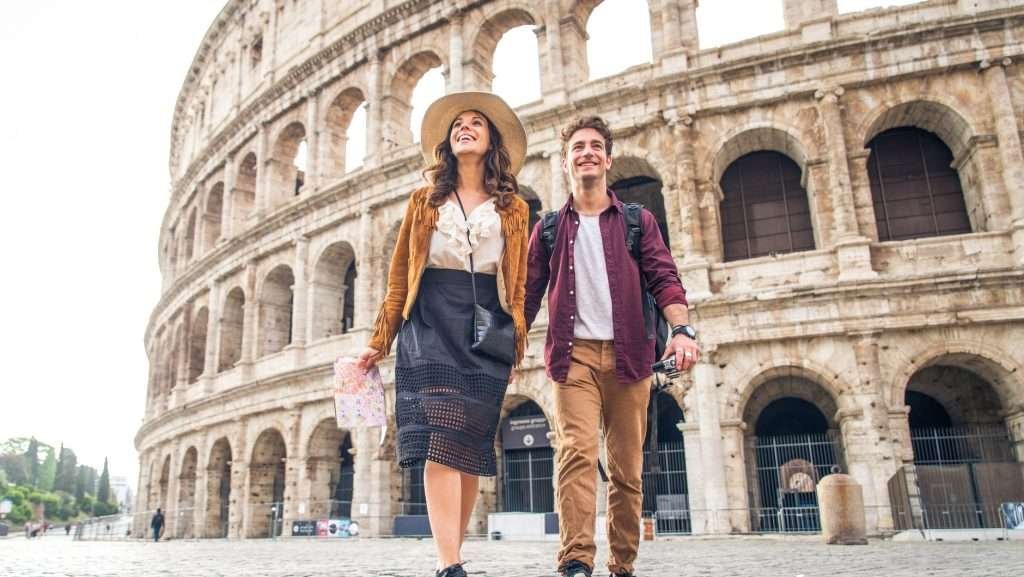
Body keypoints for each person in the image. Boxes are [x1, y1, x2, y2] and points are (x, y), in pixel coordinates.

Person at [357, 91, 529, 577]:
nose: (464, 127)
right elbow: (398, 277)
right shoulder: (424, 201)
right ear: (446, 143)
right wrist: (378, 341)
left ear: (492, 139)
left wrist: (516, 341)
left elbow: (516, 285)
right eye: (457, 124)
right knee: (438, 439)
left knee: (469, 444)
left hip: (485, 326)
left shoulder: (514, 209)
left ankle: (455, 549)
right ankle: (448, 562)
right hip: (429, 321)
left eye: (476, 122)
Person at [524, 116, 700, 577]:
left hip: (630, 357)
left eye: (595, 146)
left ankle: (622, 563)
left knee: (627, 469)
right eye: (577, 147)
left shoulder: (637, 222)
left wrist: (682, 330)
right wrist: (504, 351)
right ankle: (576, 560)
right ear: (565, 163)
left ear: (608, 158)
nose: (586, 152)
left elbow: (665, 278)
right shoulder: (546, 229)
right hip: (572, 356)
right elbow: (524, 297)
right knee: (576, 453)